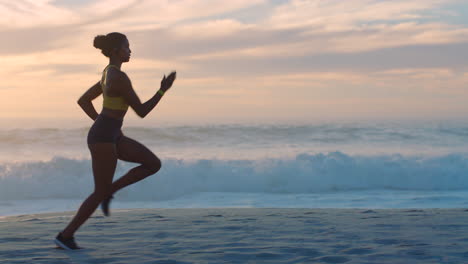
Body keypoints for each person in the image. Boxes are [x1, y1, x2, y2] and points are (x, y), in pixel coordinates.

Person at [54, 32, 176, 250]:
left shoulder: (107, 74)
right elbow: (142, 111)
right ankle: (65, 236)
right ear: (115, 51)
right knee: (99, 191)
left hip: (111, 135)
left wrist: (101, 121)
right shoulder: (119, 78)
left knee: (153, 164)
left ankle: (109, 192)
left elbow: (83, 101)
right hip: (103, 138)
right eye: (127, 47)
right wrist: (162, 90)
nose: (130, 51)